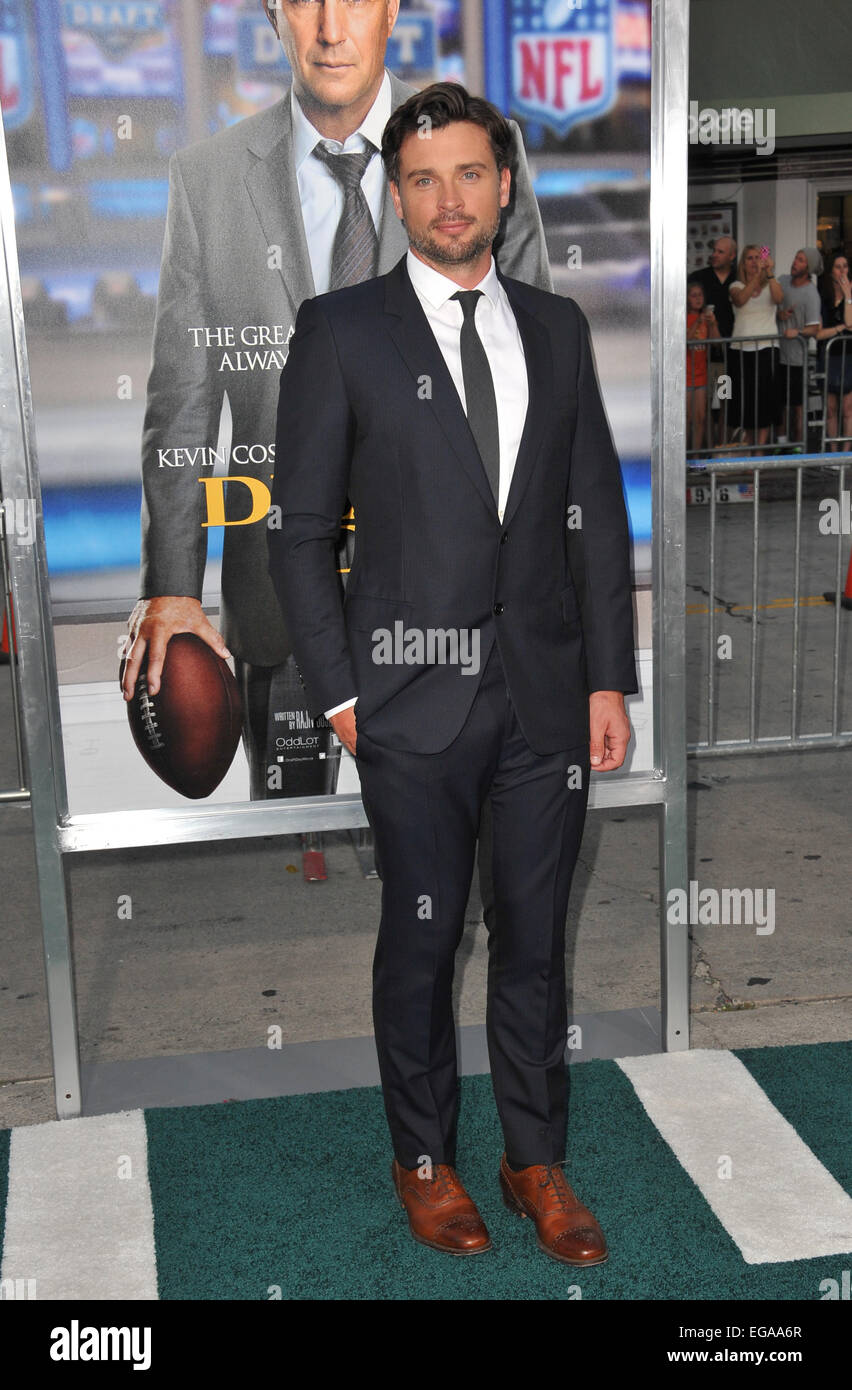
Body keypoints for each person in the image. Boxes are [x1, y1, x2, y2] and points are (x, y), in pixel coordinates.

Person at [268, 84, 637, 1265]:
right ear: (395, 195)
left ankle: (533, 1158)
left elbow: (595, 519)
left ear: (505, 184)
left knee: (535, 938)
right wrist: (339, 695)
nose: (447, 200)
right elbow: (298, 530)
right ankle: (423, 1157)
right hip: (406, 704)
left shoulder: (559, 328)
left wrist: (606, 679)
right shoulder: (340, 331)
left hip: (542, 698)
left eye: (469, 174)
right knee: (422, 941)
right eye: (422, 179)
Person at [120, 0, 551, 810]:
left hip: (447, 585)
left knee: (449, 830)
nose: (328, 27)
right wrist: (170, 585)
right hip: (278, 592)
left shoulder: (480, 154)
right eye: (304, 1)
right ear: (272, 15)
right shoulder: (207, 178)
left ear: (391, 9)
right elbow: (179, 399)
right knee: (290, 831)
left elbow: (536, 367)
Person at [728, 243, 783, 451]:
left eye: (756, 258)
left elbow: (779, 298)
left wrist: (768, 273)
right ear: (743, 263)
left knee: (765, 399)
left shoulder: (770, 284)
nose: (753, 262)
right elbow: (741, 300)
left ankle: (759, 449)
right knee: (746, 400)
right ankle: (748, 444)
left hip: (767, 347)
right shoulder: (735, 285)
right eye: (749, 258)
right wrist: (754, 278)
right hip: (741, 349)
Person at [688, 236, 737, 444]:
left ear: (732, 256)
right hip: (703, 356)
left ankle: (720, 446)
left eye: (720, 252)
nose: (714, 255)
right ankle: (702, 448)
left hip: (728, 351)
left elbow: (764, 256)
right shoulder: (700, 276)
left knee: (722, 399)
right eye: (714, 250)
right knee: (703, 406)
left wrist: (764, 256)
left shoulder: (738, 278)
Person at [776, 248, 822, 447]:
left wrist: (798, 332)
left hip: (797, 358)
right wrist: (779, 315)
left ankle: (798, 446)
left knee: (797, 405)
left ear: (808, 267)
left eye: (801, 260)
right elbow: (772, 304)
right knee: (779, 402)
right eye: (796, 257)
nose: (795, 262)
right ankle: (780, 442)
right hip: (777, 352)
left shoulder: (811, 294)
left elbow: (814, 328)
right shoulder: (783, 281)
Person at [816, 250, 852, 449]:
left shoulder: (851, 296)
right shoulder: (823, 298)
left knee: (848, 409)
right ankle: (832, 451)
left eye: (845, 266)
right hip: (829, 357)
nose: (842, 271)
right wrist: (838, 329)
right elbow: (819, 334)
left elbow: (851, 322)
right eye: (838, 267)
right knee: (830, 409)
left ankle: (846, 453)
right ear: (831, 272)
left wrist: (848, 296)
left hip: (848, 356)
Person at [686, 281, 720, 452]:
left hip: (701, 376)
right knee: (686, 420)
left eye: (700, 295)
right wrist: (698, 321)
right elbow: (686, 339)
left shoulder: (707, 319)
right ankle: (682, 458)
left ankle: (696, 459)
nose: (698, 299)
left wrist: (712, 323)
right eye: (694, 295)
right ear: (686, 298)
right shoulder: (684, 317)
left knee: (700, 418)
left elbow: (716, 343)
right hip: (685, 376)